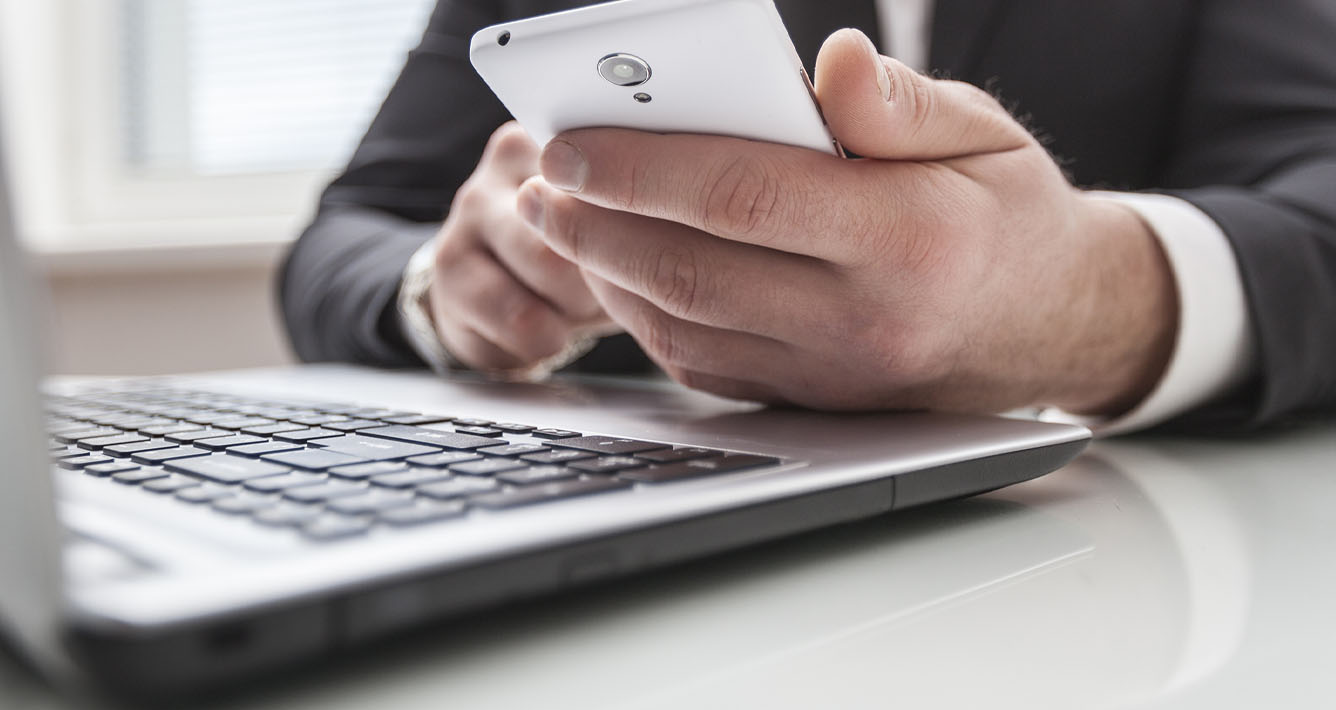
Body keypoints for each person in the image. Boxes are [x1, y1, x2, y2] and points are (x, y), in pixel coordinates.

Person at [281, 0, 1336, 432]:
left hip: (1120, 559)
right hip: (653, 554)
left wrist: (1094, 298)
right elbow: (344, 235)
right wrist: (450, 288)